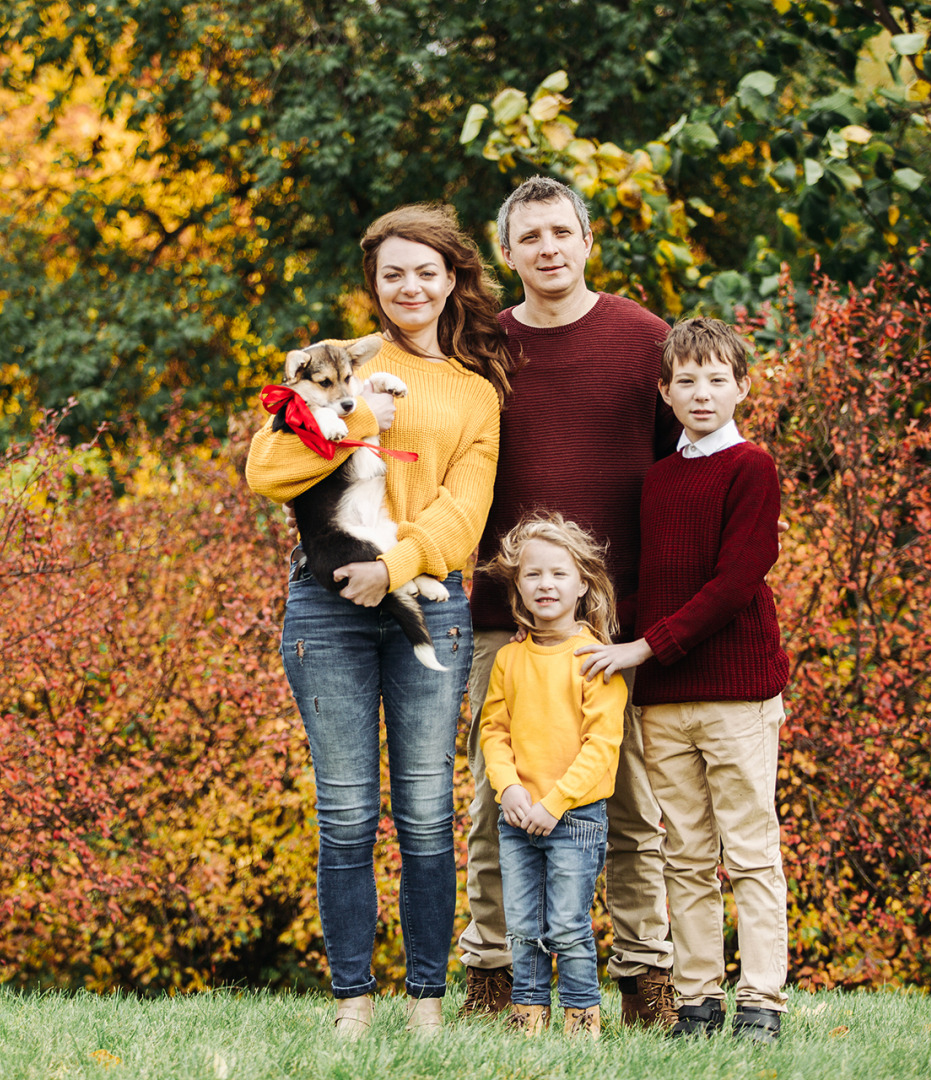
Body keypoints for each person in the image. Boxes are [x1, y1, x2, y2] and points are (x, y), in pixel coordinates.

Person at [245, 203, 512, 1038]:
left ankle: (427, 1003)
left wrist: (390, 569)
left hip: (424, 596)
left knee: (429, 812)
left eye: (426, 271)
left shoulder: (475, 394)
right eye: (392, 272)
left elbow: (466, 514)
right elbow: (266, 469)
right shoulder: (332, 371)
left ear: (451, 280)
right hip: (324, 609)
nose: (410, 286)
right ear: (375, 283)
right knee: (349, 812)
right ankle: (353, 1005)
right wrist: (359, 417)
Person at [460, 176, 682, 1027]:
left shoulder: (643, 341)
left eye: (563, 232)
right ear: (508, 253)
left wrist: (652, 617)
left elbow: (677, 469)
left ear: (588, 240)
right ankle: (494, 978)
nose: (548, 249)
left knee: (625, 805)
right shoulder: (481, 344)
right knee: (495, 803)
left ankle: (646, 981)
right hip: (501, 621)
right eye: (531, 237)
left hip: (608, 631)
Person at [578, 317, 791, 1044]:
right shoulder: (660, 478)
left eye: (717, 379)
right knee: (686, 853)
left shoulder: (751, 468)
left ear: (742, 386)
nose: (703, 393)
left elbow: (736, 581)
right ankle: (697, 1001)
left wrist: (646, 647)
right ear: (664, 391)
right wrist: (592, 634)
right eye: (687, 381)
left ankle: (762, 1000)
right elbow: (651, 585)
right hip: (665, 699)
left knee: (750, 850)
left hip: (737, 692)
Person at [476, 513, 628, 1040]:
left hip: (574, 819)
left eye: (559, 574)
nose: (546, 584)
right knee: (521, 926)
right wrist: (510, 788)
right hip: (518, 817)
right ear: (518, 585)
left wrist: (555, 802)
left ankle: (581, 1021)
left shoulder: (594, 659)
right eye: (534, 574)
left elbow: (601, 748)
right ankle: (528, 1019)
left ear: (582, 583)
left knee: (567, 926)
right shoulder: (510, 659)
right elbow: (493, 732)